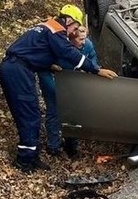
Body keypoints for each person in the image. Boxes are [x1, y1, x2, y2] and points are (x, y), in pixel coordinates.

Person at [0, 4, 118, 173]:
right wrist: (96, 70)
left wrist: (49, 64)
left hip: (19, 69)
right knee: (29, 116)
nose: (74, 32)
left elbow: (37, 52)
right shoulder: (56, 30)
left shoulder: (46, 27)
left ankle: (32, 158)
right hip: (17, 70)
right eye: (75, 27)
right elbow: (69, 53)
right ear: (68, 20)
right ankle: (24, 162)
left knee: (33, 114)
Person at [38, 25, 98, 158]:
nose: (83, 42)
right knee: (54, 111)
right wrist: (51, 69)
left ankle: (71, 144)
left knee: (73, 112)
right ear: (71, 38)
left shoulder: (87, 45)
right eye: (80, 40)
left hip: (73, 84)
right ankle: (53, 146)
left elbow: (93, 59)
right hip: (52, 80)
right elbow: (41, 62)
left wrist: (90, 70)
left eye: (84, 39)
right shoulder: (58, 45)